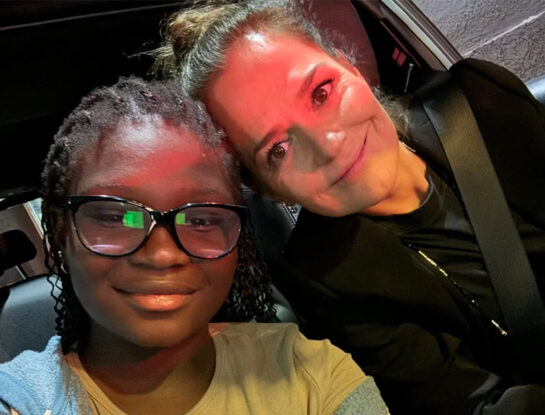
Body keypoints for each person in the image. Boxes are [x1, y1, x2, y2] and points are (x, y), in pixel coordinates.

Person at [154, 0, 545, 414]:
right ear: (271, 190)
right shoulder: (333, 283)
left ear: (350, 67)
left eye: (321, 93)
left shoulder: (477, 102)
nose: (328, 145)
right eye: (278, 149)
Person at [0, 78, 389, 415]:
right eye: (117, 217)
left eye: (201, 220)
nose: (162, 255)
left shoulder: (309, 373)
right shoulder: (21, 398)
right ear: (61, 230)